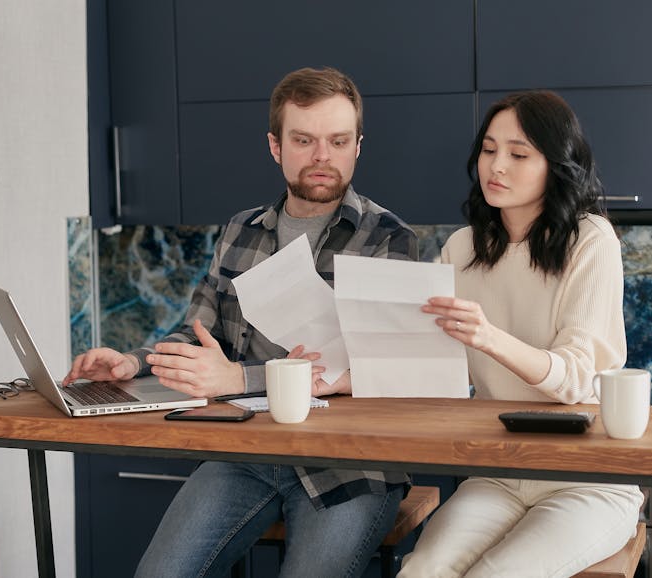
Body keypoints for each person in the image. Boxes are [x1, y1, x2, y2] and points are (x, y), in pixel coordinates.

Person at [64, 67, 417, 577]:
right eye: (304, 140)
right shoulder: (240, 230)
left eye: (338, 141)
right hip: (246, 448)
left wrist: (238, 378)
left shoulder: (388, 238)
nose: (323, 156)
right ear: (276, 146)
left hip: (349, 463)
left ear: (358, 145)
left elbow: (368, 366)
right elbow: (199, 333)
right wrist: (134, 362)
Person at [397, 91, 644, 578]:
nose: (497, 166)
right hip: (499, 472)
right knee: (420, 571)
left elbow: (579, 378)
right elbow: (423, 364)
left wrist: (488, 337)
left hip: (589, 480)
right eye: (489, 150)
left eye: (519, 153)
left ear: (556, 165)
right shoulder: (462, 247)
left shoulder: (590, 240)